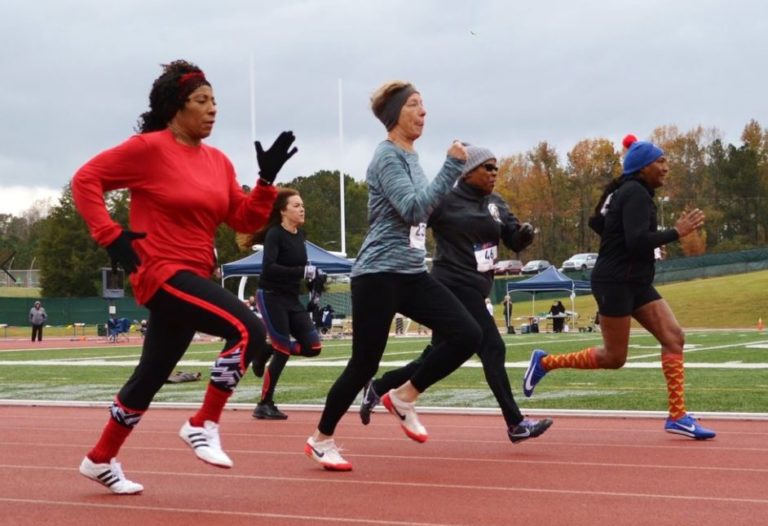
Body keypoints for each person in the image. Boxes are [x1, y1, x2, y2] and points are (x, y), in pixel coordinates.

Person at [71, 59, 297, 494]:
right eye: (201, 101)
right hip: (160, 271)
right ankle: (203, 423)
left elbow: (243, 217)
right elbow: (86, 179)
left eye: (215, 102)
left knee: (151, 375)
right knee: (249, 330)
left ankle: (100, 458)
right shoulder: (148, 148)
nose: (213, 109)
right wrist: (109, 233)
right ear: (178, 106)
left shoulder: (217, 161)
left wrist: (266, 181)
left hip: (194, 275)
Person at [305, 80, 481, 471]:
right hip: (378, 275)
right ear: (395, 115)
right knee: (364, 365)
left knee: (468, 334)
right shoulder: (386, 157)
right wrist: (451, 166)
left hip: (412, 273)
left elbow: (428, 210)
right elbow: (414, 208)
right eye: (414, 105)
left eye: (424, 105)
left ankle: (404, 396)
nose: (423, 112)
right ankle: (321, 438)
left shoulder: (412, 158)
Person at [522, 137, 716, 440]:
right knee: (614, 357)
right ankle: (545, 362)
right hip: (615, 282)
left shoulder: (627, 192)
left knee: (674, 337)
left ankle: (677, 416)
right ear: (643, 167)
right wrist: (676, 232)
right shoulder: (635, 193)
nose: (666, 166)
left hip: (635, 280)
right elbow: (636, 240)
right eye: (660, 161)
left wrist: (614, 234)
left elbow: (597, 222)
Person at [359, 145, 552, 444]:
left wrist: (522, 235)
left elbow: (512, 238)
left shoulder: (495, 203)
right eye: (487, 167)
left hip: (478, 287)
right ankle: (515, 423)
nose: (493, 173)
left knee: (437, 353)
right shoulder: (445, 200)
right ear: (468, 171)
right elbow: (412, 218)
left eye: (496, 168)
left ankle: (379, 386)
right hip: (450, 285)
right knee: (492, 347)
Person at [247, 188, 324, 420]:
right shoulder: (274, 234)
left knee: (313, 348)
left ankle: (264, 349)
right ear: (283, 211)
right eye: (296, 205)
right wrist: (303, 270)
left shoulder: (300, 235)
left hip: (291, 299)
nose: (302, 209)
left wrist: (314, 286)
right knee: (283, 352)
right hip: (271, 296)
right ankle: (264, 404)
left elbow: (302, 271)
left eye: (302, 205)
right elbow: (269, 268)